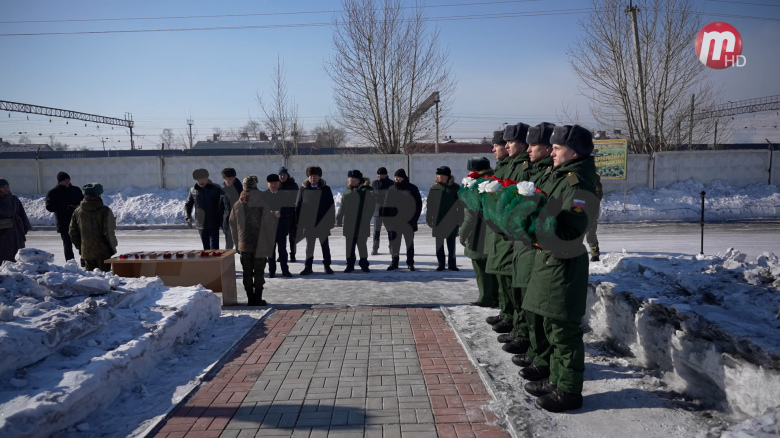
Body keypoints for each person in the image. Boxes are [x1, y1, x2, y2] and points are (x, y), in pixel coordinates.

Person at [521, 124, 599, 413]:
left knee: (564, 332)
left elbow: (569, 232)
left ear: (574, 152)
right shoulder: (560, 178)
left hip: (563, 263)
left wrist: (536, 214)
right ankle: (556, 379)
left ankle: (568, 391)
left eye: (556, 148)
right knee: (551, 327)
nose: (551, 152)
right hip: (549, 260)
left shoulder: (578, 187)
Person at [510, 122, 556, 369]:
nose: (529, 149)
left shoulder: (553, 176)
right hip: (527, 244)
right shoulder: (538, 173)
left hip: (540, 248)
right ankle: (534, 349)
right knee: (527, 301)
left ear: (548, 148)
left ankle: (541, 356)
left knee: (536, 306)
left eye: (533, 145)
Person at [486, 124, 530, 339]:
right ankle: (508, 315)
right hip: (502, 226)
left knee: (512, 280)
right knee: (503, 277)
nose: (497, 148)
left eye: (507, 143)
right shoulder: (507, 165)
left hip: (512, 231)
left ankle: (517, 324)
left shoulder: (523, 166)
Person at [229, 175, 275, 306]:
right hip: (261, 245)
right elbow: (269, 225)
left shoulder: (237, 205)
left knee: (247, 272)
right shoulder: (262, 204)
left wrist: (237, 243)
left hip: (244, 244)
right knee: (259, 272)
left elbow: (232, 225)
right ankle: (258, 299)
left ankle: (250, 298)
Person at [459, 157, 498, 308]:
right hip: (494, 231)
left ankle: (485, 298)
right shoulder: (495, 182)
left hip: (478, 233)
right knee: (492, 267)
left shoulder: (474, 185)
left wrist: (463, 233)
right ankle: (496, 296)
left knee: (480, 268)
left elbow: (471, 215)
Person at [295, 166, 336, 275]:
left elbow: (331, 206)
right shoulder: (303, 189)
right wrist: (298, 222)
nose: (312, 178)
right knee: (309, 247)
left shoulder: (325, 189)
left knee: (325, 246)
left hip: (323, 223)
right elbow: (298, 206)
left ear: (319, 176)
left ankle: (327, 266)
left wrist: (331, 221)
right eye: (310, 176)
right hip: (309, 224)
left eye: (315, 176)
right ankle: (308, 267)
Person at [69, 183, 118, 272]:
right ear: (98, 195)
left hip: (86, 252)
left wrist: (81, 248)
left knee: (91, 278)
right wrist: (112, 247)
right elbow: (108, 232)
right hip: (103, 252)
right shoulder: (105, 211)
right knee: (105, 277)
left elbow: (73, 232)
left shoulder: (77, 211)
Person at [336, 169, 375, 273]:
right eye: (349, 178)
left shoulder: (367, 190)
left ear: (357, 179)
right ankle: (350, 264)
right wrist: (339, 217)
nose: (349, 180)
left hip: (361, 223)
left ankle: (364, 264)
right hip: (349, 223)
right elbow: (343, 205)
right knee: (349, 245)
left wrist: (366, 220)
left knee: (361, 245)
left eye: (351, 178)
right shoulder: (347, 190)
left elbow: (371, 207)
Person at [383, 168, 422, 271]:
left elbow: (418, 206)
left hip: (408, 222)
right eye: (395, 177)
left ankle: (410, 263)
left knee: (409, 244)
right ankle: (394, 262)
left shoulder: (412, 188)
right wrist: (387, 221)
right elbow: (386, 205)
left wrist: (414, 220)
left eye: (398, 177)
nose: (396, 179)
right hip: (394, 223)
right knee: (395, 244)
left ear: (403, 178)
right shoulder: (391, 189)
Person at [426, 166, 462, 271]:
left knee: (451, 244)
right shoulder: (434, 188)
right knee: (439, 244)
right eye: (437, 175)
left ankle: (452, 264)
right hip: (438, 219)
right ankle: (441, 264)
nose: (438, 177)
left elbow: (460, 205)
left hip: (452, 219)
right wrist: (429, 217)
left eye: (441, 175)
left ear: (447, 176)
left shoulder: (455, 188)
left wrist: (461, 218)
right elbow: (430, 205)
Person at [184, 169, 231, 250]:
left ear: (207, 178)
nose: (201, 181)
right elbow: (188, 204)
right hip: (201, 224)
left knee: (214, 248)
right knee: (206, 249)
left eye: (203, 179)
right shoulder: (193, 190)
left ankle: (215, 258)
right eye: (198, 180)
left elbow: (225, 202)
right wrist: (188, 216)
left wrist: (225, 217)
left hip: (214, 222)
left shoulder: (216, 188)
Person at [45, 171, 84, 261]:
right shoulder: (53, 192)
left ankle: (84, 260)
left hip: (77, 221)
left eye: (68, 180)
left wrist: (78, 206)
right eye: (65, 180)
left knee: (82, 242)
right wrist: (65, 207)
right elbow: (49, 207)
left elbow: (83, 201)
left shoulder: (76, 190)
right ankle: (70, 263)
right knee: (67, 244)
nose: (67, 182)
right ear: (60, 181)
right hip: (63, 222)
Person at [261, 173, 293, 278]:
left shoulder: (285, 195)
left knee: (282, 251)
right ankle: (272, 271)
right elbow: (260, 211)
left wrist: (281, 213)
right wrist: (269, 213)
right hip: (268, 228)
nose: (274, 185)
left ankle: (285, 270)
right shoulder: (263, 196)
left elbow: (291, 209)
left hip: (282, 227)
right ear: (268, 184)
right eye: (272, 183)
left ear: (278, 183)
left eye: (276, 183)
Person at [0, 178, 32, 263]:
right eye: (3, 187)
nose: (6, 189)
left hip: (16, 229)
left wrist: (25, 227)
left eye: (7, 186)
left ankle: (17, 267)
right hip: (3, 231)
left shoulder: (14, 199)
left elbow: (21, 213)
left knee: (18, 251)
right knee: (4, 252)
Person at [278, 167, 299, 262]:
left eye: (284, 175)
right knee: (281, 237)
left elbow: (298, 199)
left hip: (291, 215)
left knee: (292, 237)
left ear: (287, 175)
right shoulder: (277, 185)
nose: (282, 176)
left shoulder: (293, 185)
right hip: (281, 215)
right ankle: (282, 254)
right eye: (281, 175)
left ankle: (293, 254)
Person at [371, 167, 393, 255]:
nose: (379, 176)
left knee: (390, 230)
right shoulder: (374, 183)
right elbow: (372, 195)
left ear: (385, 175)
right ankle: (375, 248)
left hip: (387, 210)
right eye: (378, 174)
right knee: (376, 230)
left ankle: (392, 247)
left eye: (381, 174)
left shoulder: (391, 183)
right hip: (377, 210)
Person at [221, 167, 243, 250]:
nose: (228, 181)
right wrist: (222, 222)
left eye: (229, 178)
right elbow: (221, 208)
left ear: (234, 178)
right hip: (228, 222)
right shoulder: (223, 191)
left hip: (240, 222)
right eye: (225, 179)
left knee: (241, 247)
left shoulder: (241, 190)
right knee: (228, 248)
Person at [587, 174, 603, 261]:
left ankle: (595, 253)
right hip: (577, 208)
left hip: (591, 210)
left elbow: (598, 194)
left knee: (590, 233)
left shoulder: (594, 180)